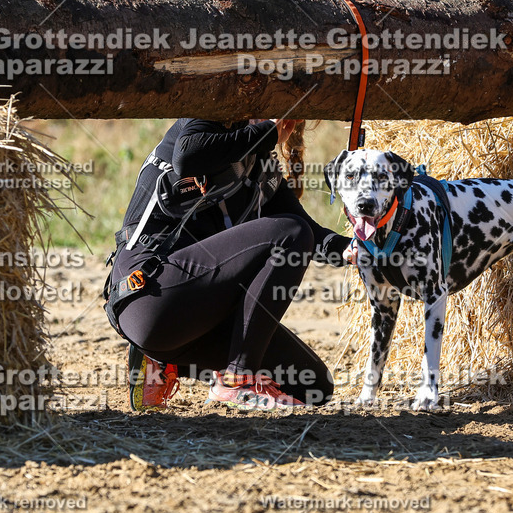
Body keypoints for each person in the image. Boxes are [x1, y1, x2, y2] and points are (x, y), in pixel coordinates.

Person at [103, 118, 352, 411]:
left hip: (193, 317)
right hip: (146, 294)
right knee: (290, 233)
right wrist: (267, 132)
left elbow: (312, 235)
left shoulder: (261, 167)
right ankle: (236, 380)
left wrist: (355, 249)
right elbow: (187, 157)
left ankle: (161, 360)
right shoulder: (206, 119)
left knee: (312, 386)